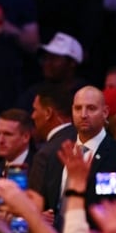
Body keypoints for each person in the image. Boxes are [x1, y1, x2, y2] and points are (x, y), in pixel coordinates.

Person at [45, 86, 116, 232]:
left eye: (91, 108)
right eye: (78, 108)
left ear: (105, 113)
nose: (83, 114)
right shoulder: (57, 153)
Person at [29, 84, 76, 218]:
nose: (32, 116)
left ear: (48, 113)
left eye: (35, 110)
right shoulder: (83, 141)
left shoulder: (45, 154)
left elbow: (35, 207)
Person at [16, 32, 89, 112]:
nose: (47, 63)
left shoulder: (87, 94)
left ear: (72, 63)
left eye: (54, 58)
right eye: (46, 58)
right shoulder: (35, 93)